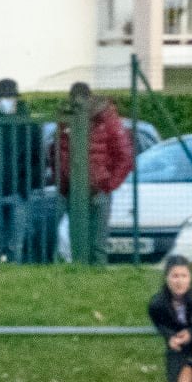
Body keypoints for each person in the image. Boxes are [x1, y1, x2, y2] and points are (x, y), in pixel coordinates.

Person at [51, 82, 134, 267]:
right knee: (78, 244)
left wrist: (108, 184)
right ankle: (82, 282)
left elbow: (125, 156)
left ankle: (97, 285)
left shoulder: (107, 119)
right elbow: (56, 152)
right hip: (73, 190)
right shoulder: (66, 119)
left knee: (97, 245)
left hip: (98, 190)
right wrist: (64, 183)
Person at [0, 78, 42, 263]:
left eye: (9, 97)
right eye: (3, 97)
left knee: (16, 243)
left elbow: (38, 160)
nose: (6, 100)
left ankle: (14, 275)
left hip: (19, 193)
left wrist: (26, 185)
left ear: (16, 99)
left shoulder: (29, 126)